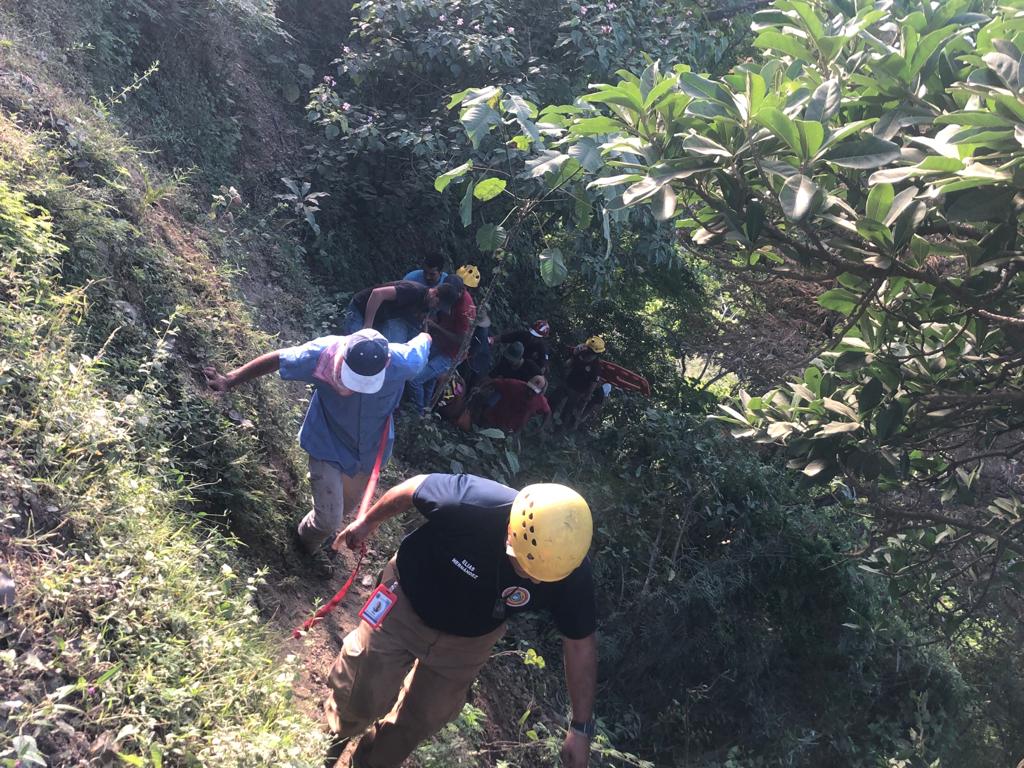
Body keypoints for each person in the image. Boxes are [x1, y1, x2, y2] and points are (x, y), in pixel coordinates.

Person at [326, 474, 598, 768]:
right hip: (407, 598)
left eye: (540, 576)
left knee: (425, 715)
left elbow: (580, 644)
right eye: (524, 565)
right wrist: (367, 523)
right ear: (510, 531)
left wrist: (581, 728)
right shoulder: (472, 502)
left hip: (470, 639)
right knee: (363, 689)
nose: (531, 578)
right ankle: (332, 740)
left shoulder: (569, 566)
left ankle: (368, 762)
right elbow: (413, 488)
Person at [203, 328, 431, 575]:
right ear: (343, 358)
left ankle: (316, 534)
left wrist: (427, 333)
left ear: (386, 362)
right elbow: (279, 358)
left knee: (339, 511)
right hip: (327, 443)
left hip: (369, 455)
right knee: (329, 520)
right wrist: (230, 379)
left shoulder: (404, 361)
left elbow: (424, 343)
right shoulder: (322, 354)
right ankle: (304, 547)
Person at [407, 268, 476, 412]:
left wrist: (436, 327)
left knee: (415, 379)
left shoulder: (464, 309)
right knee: (429, 380)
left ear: (460, 292)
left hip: (452, 354)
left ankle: (418, 414)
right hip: (440, 343)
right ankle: (425, 411)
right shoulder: (446, 293)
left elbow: (462, 342)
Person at [343, 280, 460, 343]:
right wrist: (368, 325)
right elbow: (377, 294)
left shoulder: (426, 304)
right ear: (434, 293)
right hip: (361, 308)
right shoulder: (413, 291)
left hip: (381, 317)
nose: (437, 307)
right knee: (353, 346)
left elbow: (422, 322)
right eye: (438, 304)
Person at [553, 336, 605, 431]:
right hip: (568, 383)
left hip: (578, 391)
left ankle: (559, 431)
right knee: (554, 398)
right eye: (589, 351)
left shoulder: (595, 368)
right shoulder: (579, 354)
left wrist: (586, 396)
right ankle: (546, 418)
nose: (589, 354)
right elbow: (568, 364)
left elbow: (593, 385)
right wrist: (573, 356)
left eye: (592, 353)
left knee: (567, 411)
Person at [472, 375, 552, 434]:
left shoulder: (540, 401)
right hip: (493, 419)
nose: (529, 392)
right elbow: (494, 381)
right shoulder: (514, 384)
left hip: (511, 429)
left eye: (533, 392)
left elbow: (547, 412)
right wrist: (480, 388)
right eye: (529, 388)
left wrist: (541, 427)